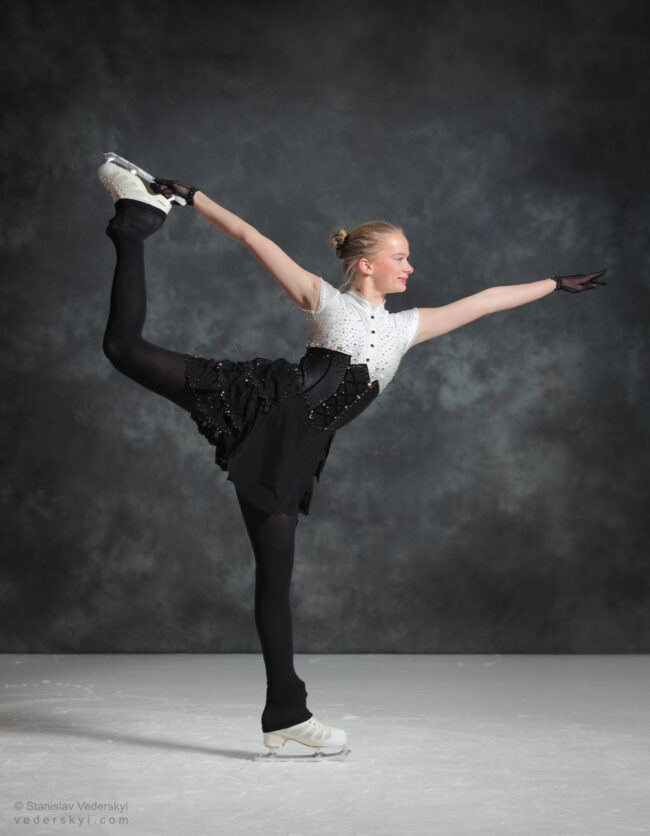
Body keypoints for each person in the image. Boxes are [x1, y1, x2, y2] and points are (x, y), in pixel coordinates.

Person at [97, 158, 607, 754]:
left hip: (294, 451)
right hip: (263, 402)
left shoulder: (410, 327)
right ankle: (134, 222)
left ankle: (286, 713)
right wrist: (197, 198)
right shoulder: (323, 301)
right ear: (366, 264)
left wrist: (554, 284)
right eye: (401, 256)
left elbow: (488, 300)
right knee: (124, 347)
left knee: (274, 578)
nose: (411, 266)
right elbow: (251, 238)